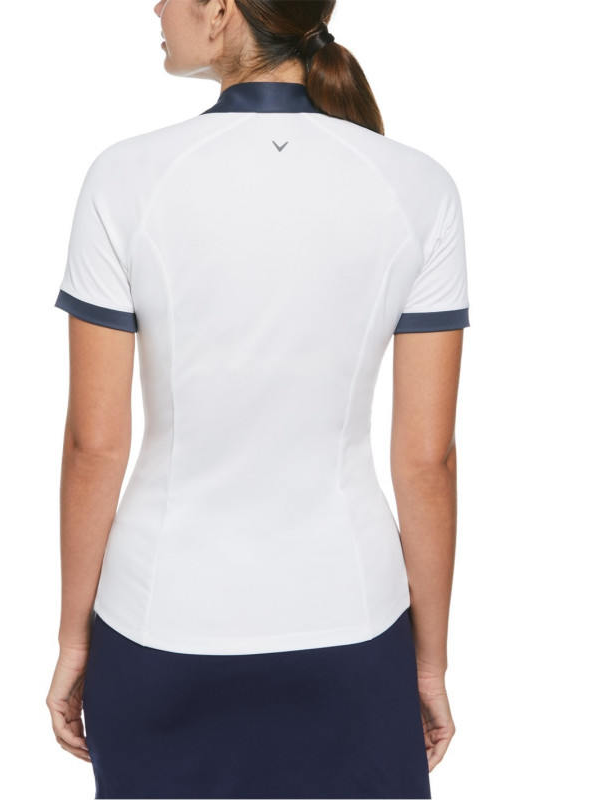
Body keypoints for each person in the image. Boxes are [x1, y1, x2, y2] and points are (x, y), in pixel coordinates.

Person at [45, 1, 470, 797]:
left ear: (222, 8)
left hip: (158, 626)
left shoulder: (126, 177)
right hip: (353, 627)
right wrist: (429, 663)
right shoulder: (418, 187)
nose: (157, 6)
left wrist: (74, 643)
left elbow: (93, 445)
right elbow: (427, 461)